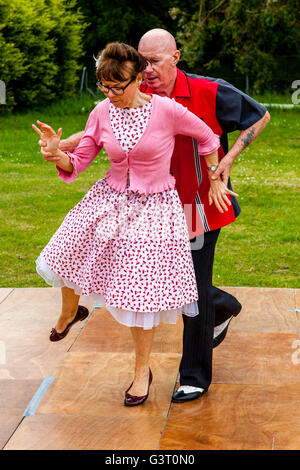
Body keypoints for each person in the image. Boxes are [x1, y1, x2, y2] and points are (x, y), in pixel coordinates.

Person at [39, 30, 270, 403]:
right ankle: (221, 306)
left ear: (175, 57)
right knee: (159, 280)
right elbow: (108, 125)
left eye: (155, 62)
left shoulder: (208, 92)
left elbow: (258, 117)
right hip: (137, 200)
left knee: (191, 285)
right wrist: (62, 147)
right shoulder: (132, 96)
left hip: (195, 203)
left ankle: (193, 375)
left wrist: (224, 165)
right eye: (142, 62)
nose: (148, 70)